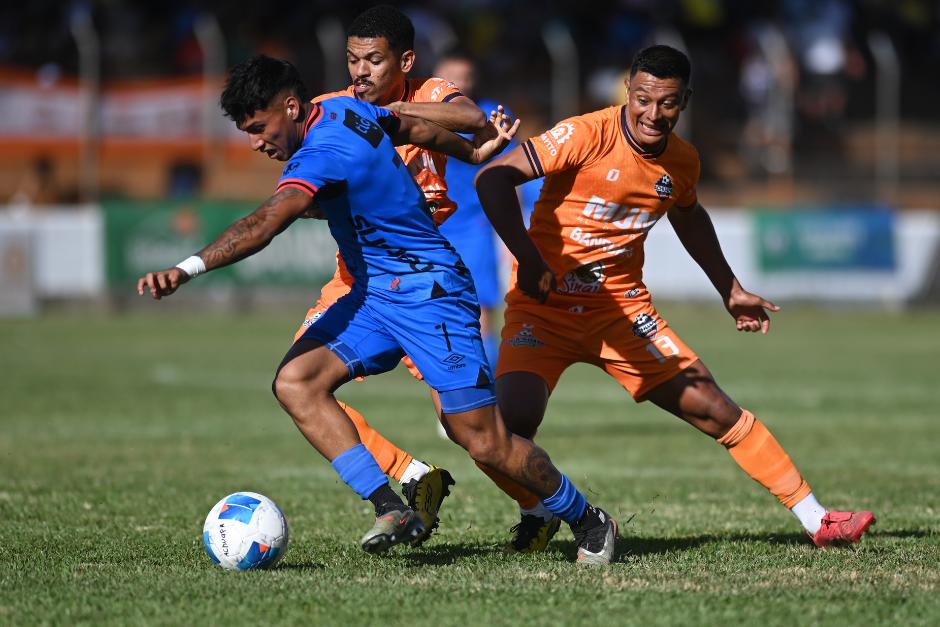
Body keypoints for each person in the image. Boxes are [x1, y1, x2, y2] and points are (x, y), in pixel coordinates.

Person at [138, 54, 619, 565]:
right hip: (374, 295)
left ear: (291, 106)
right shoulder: (344, 107)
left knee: (483, 441)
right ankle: (391, 505)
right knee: (296, 382)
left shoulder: (321, 150)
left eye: (259, 128)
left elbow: (264, 225)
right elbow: (408, 125)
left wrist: (187, 268)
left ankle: (587, 519)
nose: (256, 142)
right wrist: (473, 153)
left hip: (430, 293)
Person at [474, 45, 875, 553]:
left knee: (713, 407)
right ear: (628, 91)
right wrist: (530, 260)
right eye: (643, 99)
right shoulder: (584, 134)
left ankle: (818, 520)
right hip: (543, 310)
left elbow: (688, 216)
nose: (652, 113)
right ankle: (540, 513)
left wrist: (729, 288)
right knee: (500, 431)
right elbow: (493, 178)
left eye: (666, 103)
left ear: (683, 100)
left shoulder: (682, 162)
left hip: (621, 313)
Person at [290, 5, 493, 546]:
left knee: (466, 427)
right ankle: (409, 476)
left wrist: (391, 111)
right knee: (298, 378)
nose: (360, 72)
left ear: (403, 60)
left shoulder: (432, 91)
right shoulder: (329, 111)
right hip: (356, 279)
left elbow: (474, 120)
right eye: (352, 60)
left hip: (422, 279)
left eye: (373, 61)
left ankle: (538, 505)